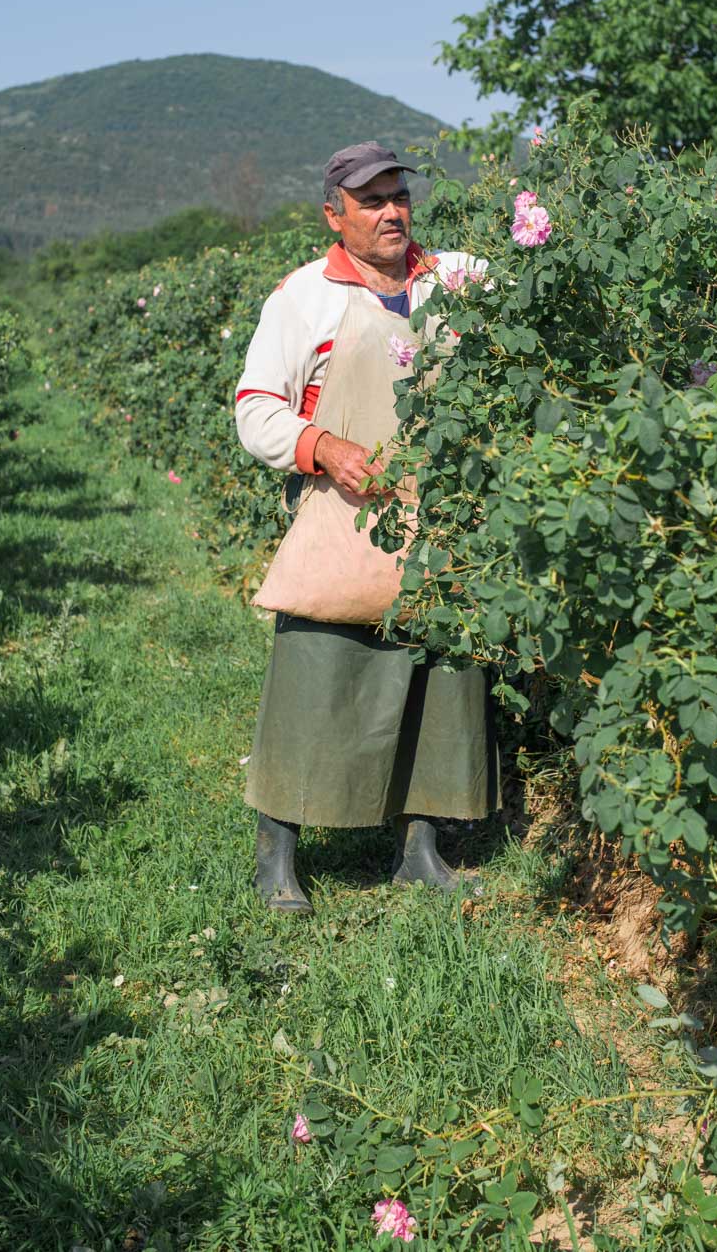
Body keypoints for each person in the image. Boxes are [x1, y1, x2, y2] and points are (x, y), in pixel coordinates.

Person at [235, 141, 498, 913]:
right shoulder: (303, 297)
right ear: (334, 214)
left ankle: (420, 850)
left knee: (437, 686)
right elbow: (256, 410)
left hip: (442, 511)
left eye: (399, 197)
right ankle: (275, 856)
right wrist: (323, 448)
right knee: (316, 674)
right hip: (346, 514)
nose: (391, 212)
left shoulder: (456, 280)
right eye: (371, 201)